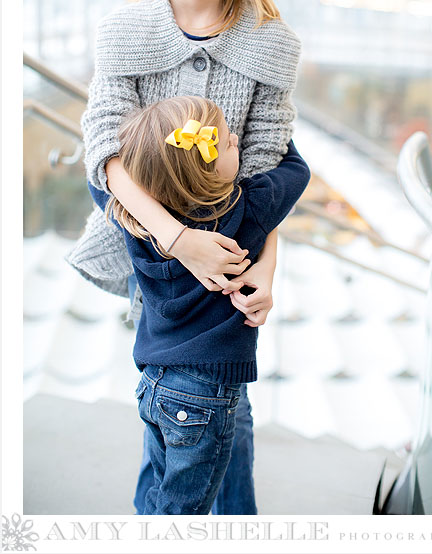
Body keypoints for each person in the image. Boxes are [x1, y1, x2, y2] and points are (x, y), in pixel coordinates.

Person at [65, 0, 301, 514]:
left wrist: (266, 270)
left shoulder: (271, 44)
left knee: (210, 406)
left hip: (233, 257)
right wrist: (178, 240)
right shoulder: (123, 29)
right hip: (144, 240)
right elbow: (105, 158)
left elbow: (267, 170)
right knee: (187, 403)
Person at [89, 95, 310, 514]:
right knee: (183, 515)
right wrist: (280, 133)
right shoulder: (248, 208)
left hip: (153, 383)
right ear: (205, 173)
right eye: (228, 142)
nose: (235, 137)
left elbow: (99, 180)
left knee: (160, 496)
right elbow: (297, 171)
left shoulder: (135, 222)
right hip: (204, 397)